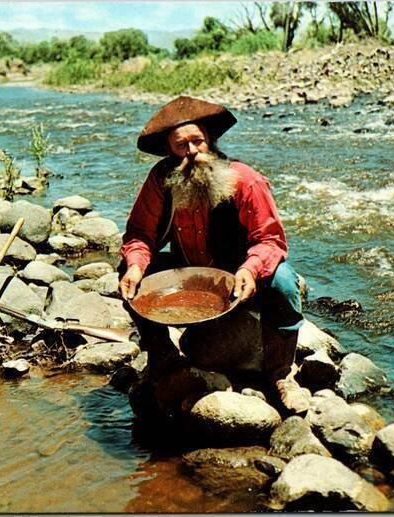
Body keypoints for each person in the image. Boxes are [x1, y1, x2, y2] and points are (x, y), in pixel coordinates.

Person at [118, 96, 309, 413]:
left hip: (240, 274)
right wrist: (135, 266)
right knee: (129, 275)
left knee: (285, 283)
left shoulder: (245, 180)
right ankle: (163, 357)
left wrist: (250, 270)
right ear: (170, 150)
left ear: (211, 141)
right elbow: (140, 235)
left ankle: (281, 373)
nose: (191, 152)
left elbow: (270, 240)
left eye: (197, 142)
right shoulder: (160, 180)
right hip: (191, 273)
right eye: (181, 146)